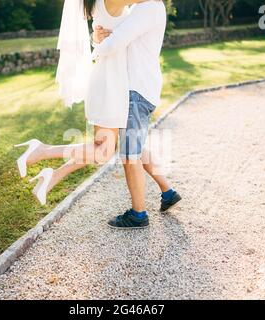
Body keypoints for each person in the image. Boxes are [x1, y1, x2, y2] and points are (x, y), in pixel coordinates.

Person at [14, 0, 181, 228]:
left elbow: (118, 40)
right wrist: (102, 40)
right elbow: (119, 38)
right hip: (120, 84)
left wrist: (101, 42)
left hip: (129, 87)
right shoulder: (136, 5)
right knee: (122, 149)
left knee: (128, 152)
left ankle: (142, 211)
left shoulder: (144, 7)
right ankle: (160, 197)